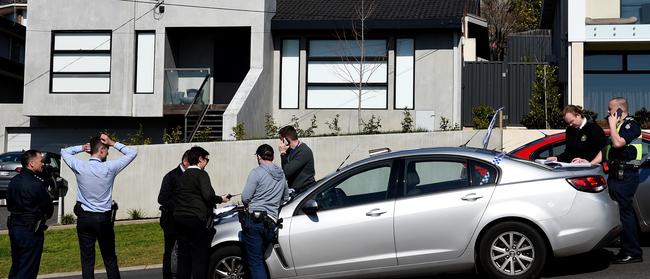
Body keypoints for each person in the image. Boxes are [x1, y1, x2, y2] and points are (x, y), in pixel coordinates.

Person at [61, 134, 138, 279]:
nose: (108, 153)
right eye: (107, 150)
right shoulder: (109, 167)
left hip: (84, 218)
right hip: (103, 219)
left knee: (87, 260)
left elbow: (64, 152)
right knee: (109, 258)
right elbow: (132, 153)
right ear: (102, 150)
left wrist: (82, 148)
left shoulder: (80, 166)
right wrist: (113, 142)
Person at [173, 146, 230, 279]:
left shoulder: (183, 175)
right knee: (199, 257)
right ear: (200, 159)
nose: (206, 162)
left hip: (180, 218)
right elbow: (208, 196)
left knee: (184, 257)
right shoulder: (201, 174)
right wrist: (221, 199)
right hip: (196, 219)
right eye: (206, 159)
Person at [240, 144, 290, 279]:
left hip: (255, 221)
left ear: (258, 157)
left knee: (255, 262)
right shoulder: (281, 174)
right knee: (263, 259)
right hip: (271, 222)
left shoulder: (256, 172)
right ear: (273, 157)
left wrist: (249, 205)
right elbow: (285, 198)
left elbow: (245, 197)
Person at [605, 97, 643, 264]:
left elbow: (618, 143)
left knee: (625, 213)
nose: (608, 113)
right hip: (616, 174)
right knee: (621, 214)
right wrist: (589, 162)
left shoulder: (631, 125)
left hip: (626, 175)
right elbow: (607, 150)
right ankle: (626, 247)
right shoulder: (619, 126)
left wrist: (612, 125)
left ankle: (633, 252)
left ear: (619, 111)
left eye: (610, 109)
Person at [7, 150, 54, 279]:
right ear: (32, 164)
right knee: (28, 268)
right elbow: (48, 208)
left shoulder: (14, 181)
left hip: (15, 227)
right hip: (30, 230)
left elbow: (9, 203)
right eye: (41, 161)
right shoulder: (36, 184)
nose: (42, 164)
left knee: (17, 265)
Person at [158, 149, 190, 279]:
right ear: (185, 162)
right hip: (171, 220)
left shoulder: (193, 175)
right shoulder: (171, 176)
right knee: (170, 250)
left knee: (184, 250)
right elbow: (162, 198)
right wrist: (180, 205)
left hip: (186, 220)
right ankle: (168, 275)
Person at [278, 126, 315, 194]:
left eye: (281, 139)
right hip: (295, 190)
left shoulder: (303, 151)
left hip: (305, 191)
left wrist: (283, 153)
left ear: (286, 139)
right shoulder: (290, 150)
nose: (280, 143)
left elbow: (287, 171)